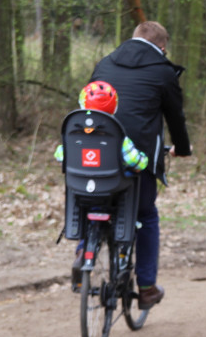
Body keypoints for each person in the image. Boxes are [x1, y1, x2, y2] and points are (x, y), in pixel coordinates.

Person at [90, 21, 193, 309]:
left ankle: (84, 253)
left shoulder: (105, 63)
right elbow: (175, 118)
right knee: (146, 215)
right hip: (137, 161)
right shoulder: (163, 72)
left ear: (133, 38)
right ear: (162, 47)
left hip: (94, 158)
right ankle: (147, 288)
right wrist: (182, 149)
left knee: (95, 203)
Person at [57, 81, 150, 291]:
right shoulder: (118, 135)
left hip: (82, 189)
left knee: (82, 199)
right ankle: (122, 253)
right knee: (131, 180)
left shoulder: (74, 133)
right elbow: (135, 162)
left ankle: (83, 250)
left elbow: (61, 156)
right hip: (112, 189)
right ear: (114, 107)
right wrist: (144, 160)